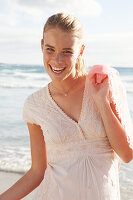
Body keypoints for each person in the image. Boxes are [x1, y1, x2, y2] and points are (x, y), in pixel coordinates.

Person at [0, 12, 133, 200]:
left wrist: (101, 102)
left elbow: (126, 154)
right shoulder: (34, 105)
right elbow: (37, 172)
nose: (57, 60)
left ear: (81, 50)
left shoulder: (102, 86)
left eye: (67, 51)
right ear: (41, 46)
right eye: (50, 49)